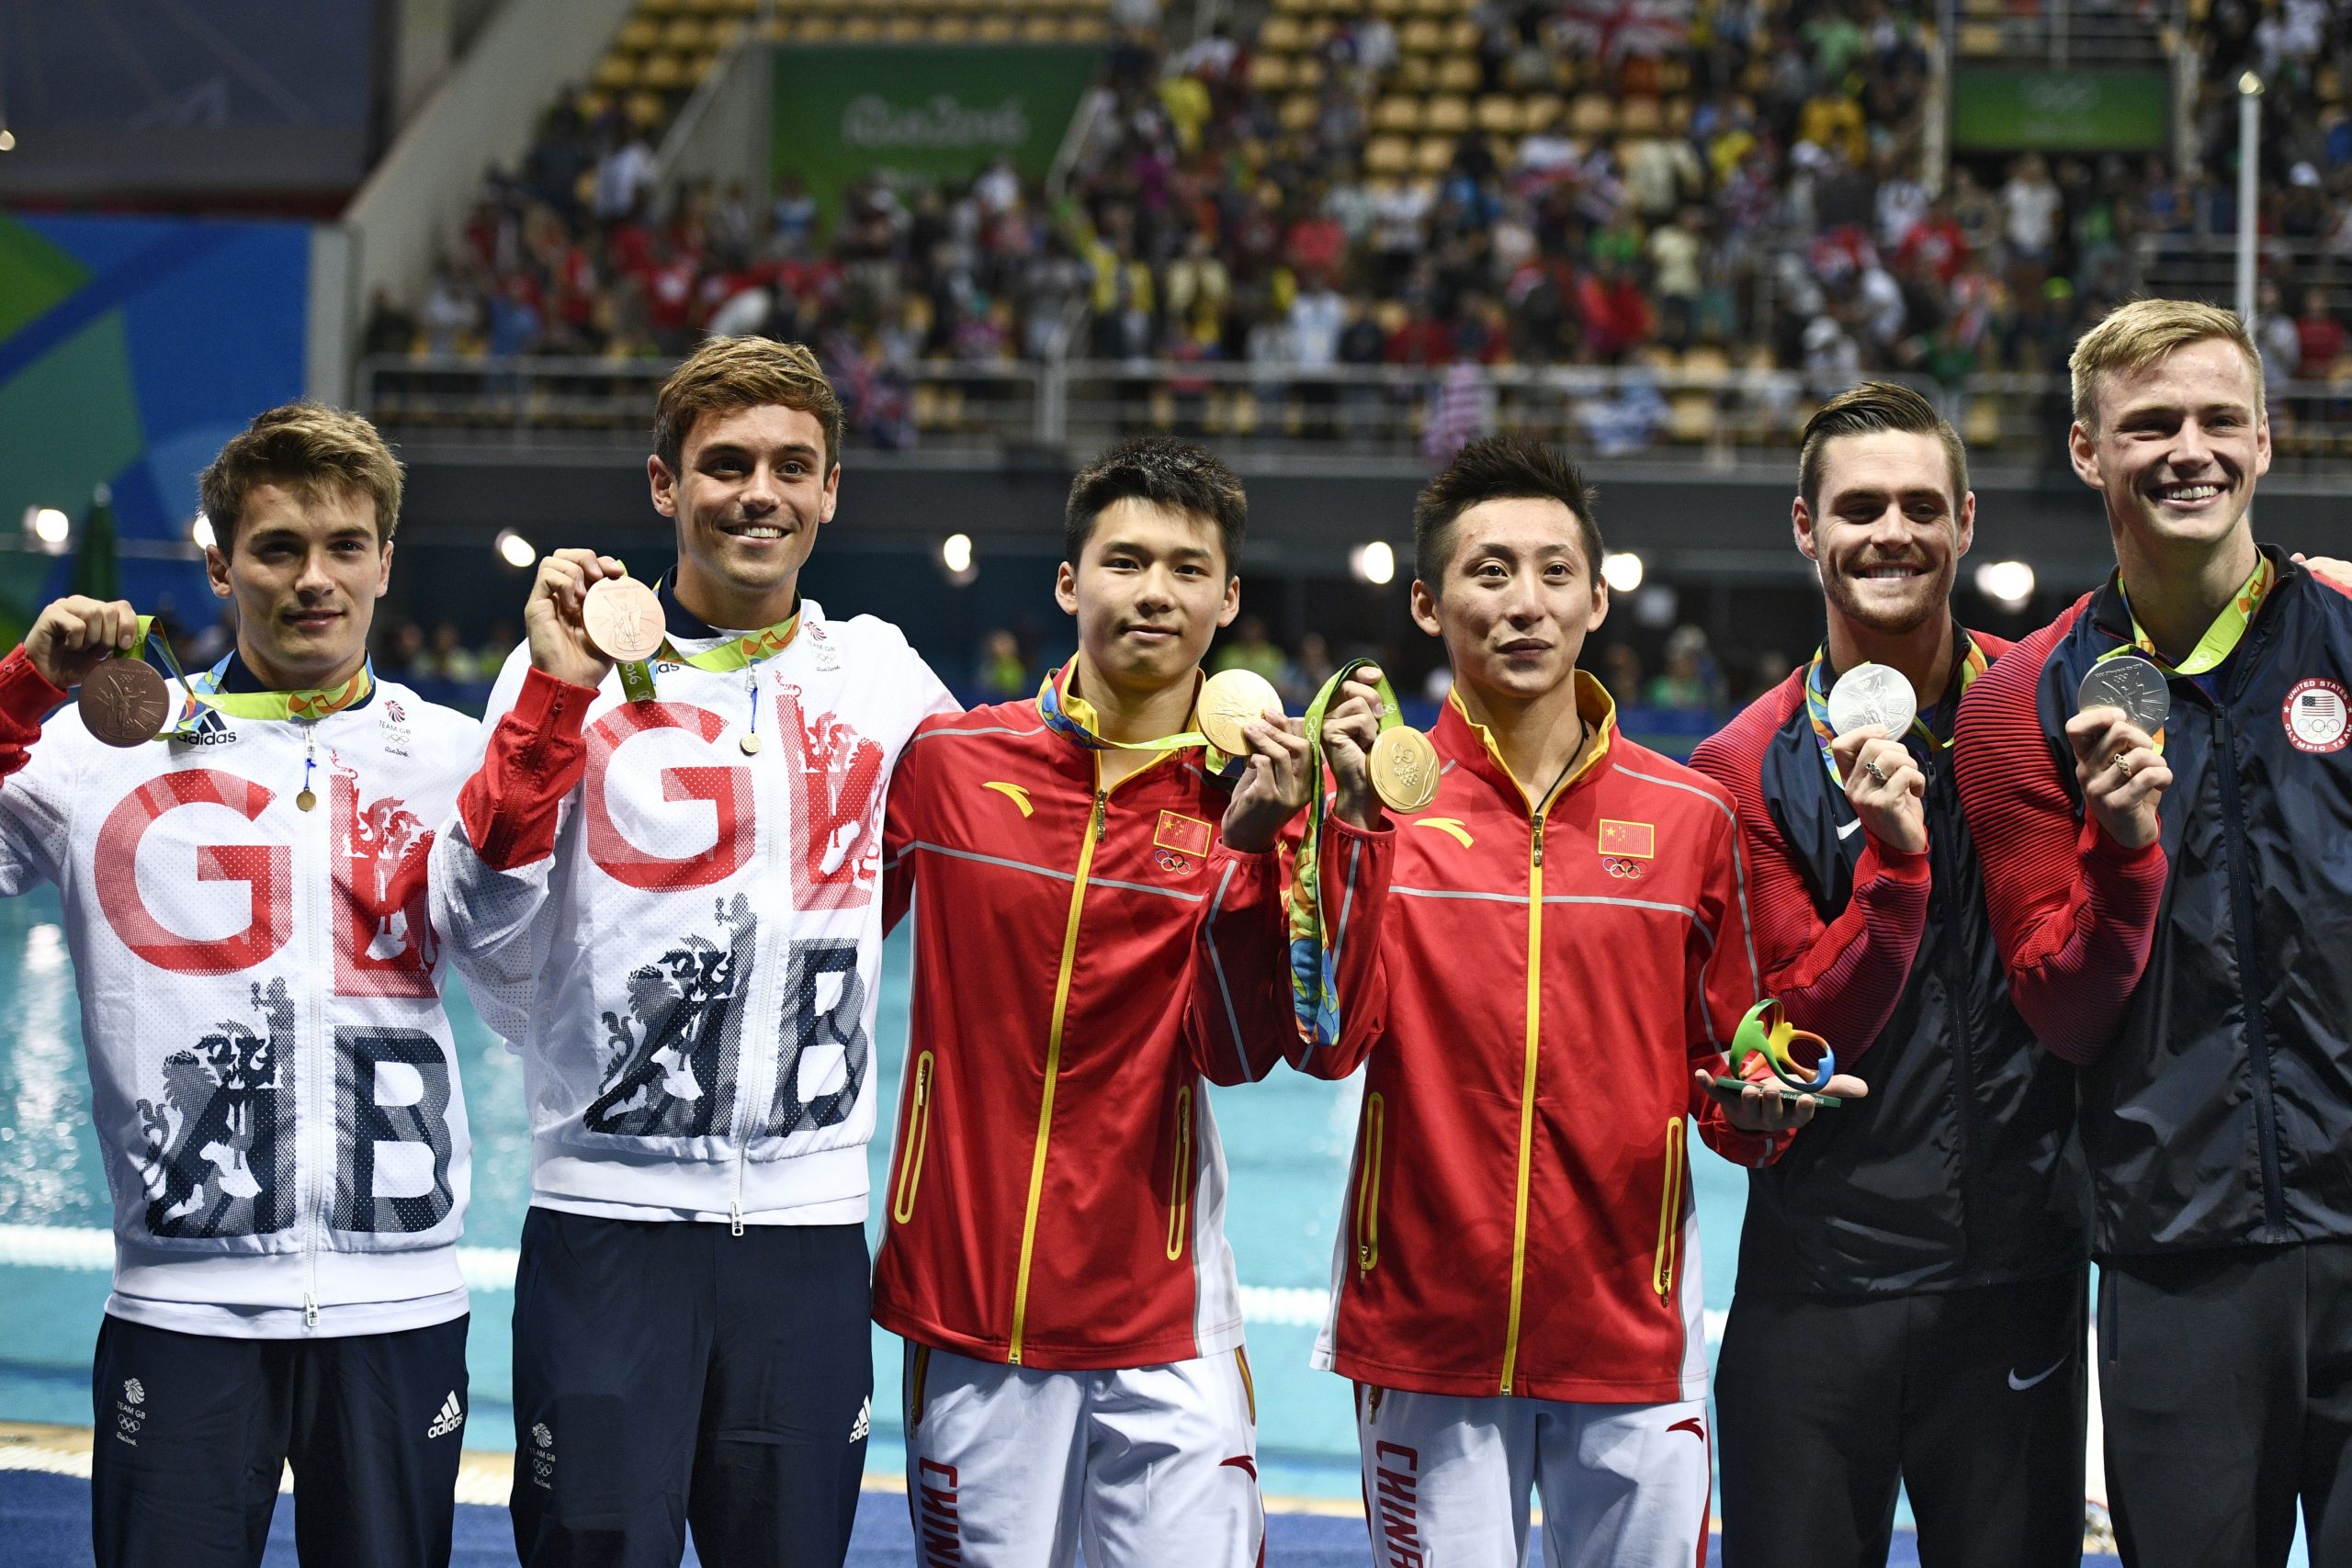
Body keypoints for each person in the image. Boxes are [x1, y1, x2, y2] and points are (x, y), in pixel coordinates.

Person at [427, 336, 956, 1567]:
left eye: (791, 465)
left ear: (831, 491)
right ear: (664, 486)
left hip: (808, 1231)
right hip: (608, 1218)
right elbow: (477, 920)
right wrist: (554, 701)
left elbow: (974, 844)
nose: (758, 492)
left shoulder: (881, 675)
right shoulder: (569, 672)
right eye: (725, 464)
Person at [1294, 434, 1859, 1568]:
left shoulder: (1691, 814)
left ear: (1597, 597)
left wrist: (1755, 1110)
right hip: (1423, 1340)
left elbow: (1732, 1060)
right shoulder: (1374, 800)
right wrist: (1348, 827)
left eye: (1555, 572)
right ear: (1426, 600)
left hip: (1631, 1339)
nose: (1524, 603)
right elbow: (1325, 1038)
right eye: (1488, 572)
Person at [872, 436, 1391, 1564]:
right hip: (971, 1314)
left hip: (1166, 1323)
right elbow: (817, 940)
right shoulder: (951, 767)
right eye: (1124, 561)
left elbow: (1262, 1048)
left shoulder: (1257, 802)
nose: (1154, 591)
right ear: (1070, 583)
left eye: (1186, 568)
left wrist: (1251, 858)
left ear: (1227, 599)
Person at [0, 403, 481, 1567]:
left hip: (396, 1306)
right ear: (219, 565)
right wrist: (20, 693)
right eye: (276, 549)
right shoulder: (90, 750)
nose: (313, 580)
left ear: (382, 562)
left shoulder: (458, 755)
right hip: (182, 1308)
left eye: (344, 547)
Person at [1954, 298, 2352, 1568]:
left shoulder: (2349, 631)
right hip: (2177, 1266)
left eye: (2219, 418)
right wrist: (2124, 847)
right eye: (2151, 424)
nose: (2191, 448)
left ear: (2267, 440)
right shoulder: (2022, 699)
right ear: (2087, 451)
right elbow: (2060, 1013)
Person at [1689, 382, 2089, 1567]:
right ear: (1806, 529)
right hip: (1816, 1294)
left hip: (2015, 1286)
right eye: (1858, 507)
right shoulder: (1740, 766)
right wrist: (1897, 877)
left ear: (1966, 522)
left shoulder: (2044, 713)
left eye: (1922, 505)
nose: (1892, 533)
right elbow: (1791, 1028)